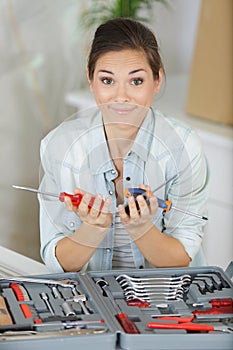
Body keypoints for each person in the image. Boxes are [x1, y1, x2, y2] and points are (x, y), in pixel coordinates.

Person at [39, 18, 209, 273]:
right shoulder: (59, 146)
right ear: (90, 78)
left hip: (165, 298)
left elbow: (181, 257)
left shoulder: (183, 148)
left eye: (136, 81)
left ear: (157, 79)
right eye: (107, 81)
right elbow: (56, 260)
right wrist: (93, 229)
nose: (121, 97)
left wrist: (141, 228)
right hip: (90, 301)